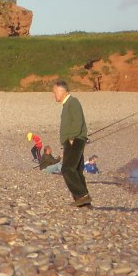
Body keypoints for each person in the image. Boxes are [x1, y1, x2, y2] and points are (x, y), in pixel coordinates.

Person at [52, 79, 91, 207]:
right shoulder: (67, 104)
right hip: (72, 140)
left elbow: (78, 120)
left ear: (62, 91)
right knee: (76, 170)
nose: (54, 95)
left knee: (67, 168)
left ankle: (82, 196)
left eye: (55, 92)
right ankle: (83, 202)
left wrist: (72, 137)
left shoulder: (72, 102)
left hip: (74, 140)